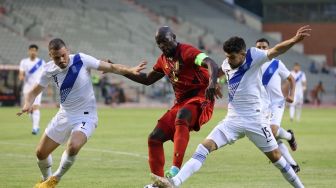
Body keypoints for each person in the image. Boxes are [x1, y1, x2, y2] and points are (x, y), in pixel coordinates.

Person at [153, 25, 311, 188]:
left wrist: (294, 40)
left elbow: (276, 50)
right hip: (233, 120)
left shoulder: (255, 56)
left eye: (233, 57)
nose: (229, 60)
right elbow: (221, 72)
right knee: (203, 148)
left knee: (278, 159)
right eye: (227, 57)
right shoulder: (228, 63)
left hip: (255, 120)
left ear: (243, 54)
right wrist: (214, 83)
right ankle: (174, 183)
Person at [17, 38, 145, 188]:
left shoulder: (81, 59)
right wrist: (27, 104)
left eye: (63, 55)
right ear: (51, 56)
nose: (61, 60)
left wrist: (130, 70)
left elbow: (111, 67)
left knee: (73, 146)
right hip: (64, 114)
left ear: (68, 51)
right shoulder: (48, 69)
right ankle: (47, 179)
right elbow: (33, 92)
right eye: (56, 57)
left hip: (86, 115)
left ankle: (55, 179)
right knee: (40, 154)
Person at [118, 26, 220, 188]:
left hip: (201, 98)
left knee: (182, 117)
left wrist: (212, 83)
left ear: (173, 37)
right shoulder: (163, 61)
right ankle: (159, 183)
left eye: (165, 41)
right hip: (180, 103)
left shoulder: (187, 51)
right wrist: (121, 70)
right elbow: (147, 79)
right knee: (154, 138)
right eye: (159, 43)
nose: (163, 46)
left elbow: (211, 63)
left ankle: (175, 170)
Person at [256, 38, 300, 173]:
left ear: (269, 49)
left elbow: (291, 79)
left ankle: (288, 136)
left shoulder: (276, 63)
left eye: (264, 47)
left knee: (273, 131)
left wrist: (292, 94)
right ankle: (293, 164)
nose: (262, 49)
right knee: (271, 137)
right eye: (259, 47)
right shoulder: (253, 65)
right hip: (261, 106)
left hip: (276, 103)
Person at [19, 44, 46, 135]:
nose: (32, 52)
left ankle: (35, 128)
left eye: (34, 50)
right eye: (31, 50)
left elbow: (45, 75)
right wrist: (21, 77)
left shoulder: (42, 62)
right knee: (29, 109)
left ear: (37, 52)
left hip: (37, 87)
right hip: (27, 88)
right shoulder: (24, 62)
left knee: (35, 107)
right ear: (28, 51)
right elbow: (21, 73)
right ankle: (36, 125)